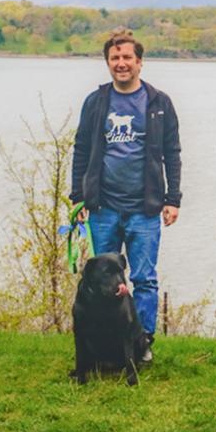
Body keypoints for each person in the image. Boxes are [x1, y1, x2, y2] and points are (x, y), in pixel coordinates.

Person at [70, 27, 181, 365]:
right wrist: (78, 196)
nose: (121, 63)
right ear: (108, 62)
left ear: (140, 62)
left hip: (144, 209)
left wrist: (172, 198)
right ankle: (105, 347)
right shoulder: (96, 102)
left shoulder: (159, 103)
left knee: (143, 279)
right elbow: (82, 149)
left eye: (127, 57)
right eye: (115, 58)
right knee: (101, 284)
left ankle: (142, 343)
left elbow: (172, 153)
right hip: (102, 207)